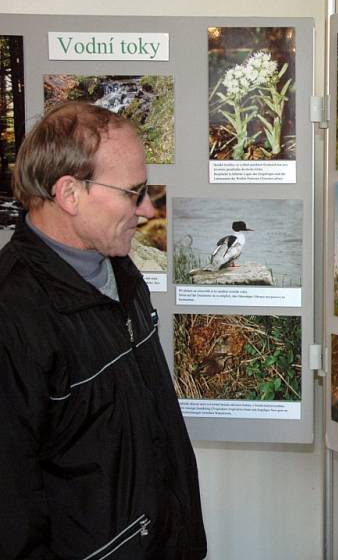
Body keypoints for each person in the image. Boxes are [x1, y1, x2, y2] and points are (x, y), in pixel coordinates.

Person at [0, 102, 206, 559]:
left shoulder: (120, 271)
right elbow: (11, 516)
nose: (148, 208)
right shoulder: (13, 317)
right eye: (133, 193)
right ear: (70, 193)